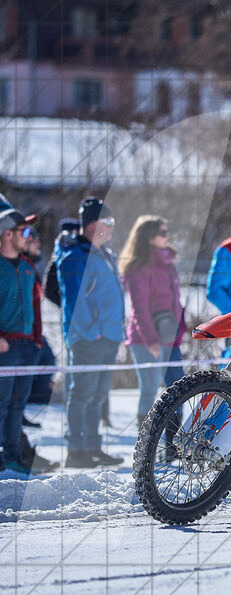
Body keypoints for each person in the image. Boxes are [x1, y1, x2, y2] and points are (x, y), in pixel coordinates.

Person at [56, 197, 125, 468]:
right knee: (82, 392)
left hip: (109, 336)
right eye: (108, 222)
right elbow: (74, 302)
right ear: (94, 224)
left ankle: (93, 447)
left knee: (98, 394)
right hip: (88, 338)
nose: (111, 228)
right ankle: (76, 450)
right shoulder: (75, 257)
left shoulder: (105, 254)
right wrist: (91, 332)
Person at [0, 209, 57, 474]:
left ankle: (12, 457)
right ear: (7, 234)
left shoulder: (26, 267)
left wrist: (36, 341)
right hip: (5, 348)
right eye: (24, 231)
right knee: (1, 404)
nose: (28, 237)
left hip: (26, 347)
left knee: (16, 405)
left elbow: (36, 305)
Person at [120, 216, 187, 427]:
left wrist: (179, 330)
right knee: (149, 390)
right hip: (146, 340)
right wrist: (151, 340)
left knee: (178, 389)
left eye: (168, 232)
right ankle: (144, 447)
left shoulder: (169, 263)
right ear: (149, 238)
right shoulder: (138, 267)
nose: (168, 237)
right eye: (163, 233)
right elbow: (138, 308)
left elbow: (175, 301)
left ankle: (172, 447)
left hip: (170, 338)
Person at [21, 226, 58, 410]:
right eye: (34, 241)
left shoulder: (30, 268)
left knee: (48, 360)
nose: (38, 244)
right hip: (18, 332)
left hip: (32, 330)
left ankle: (22, 413)